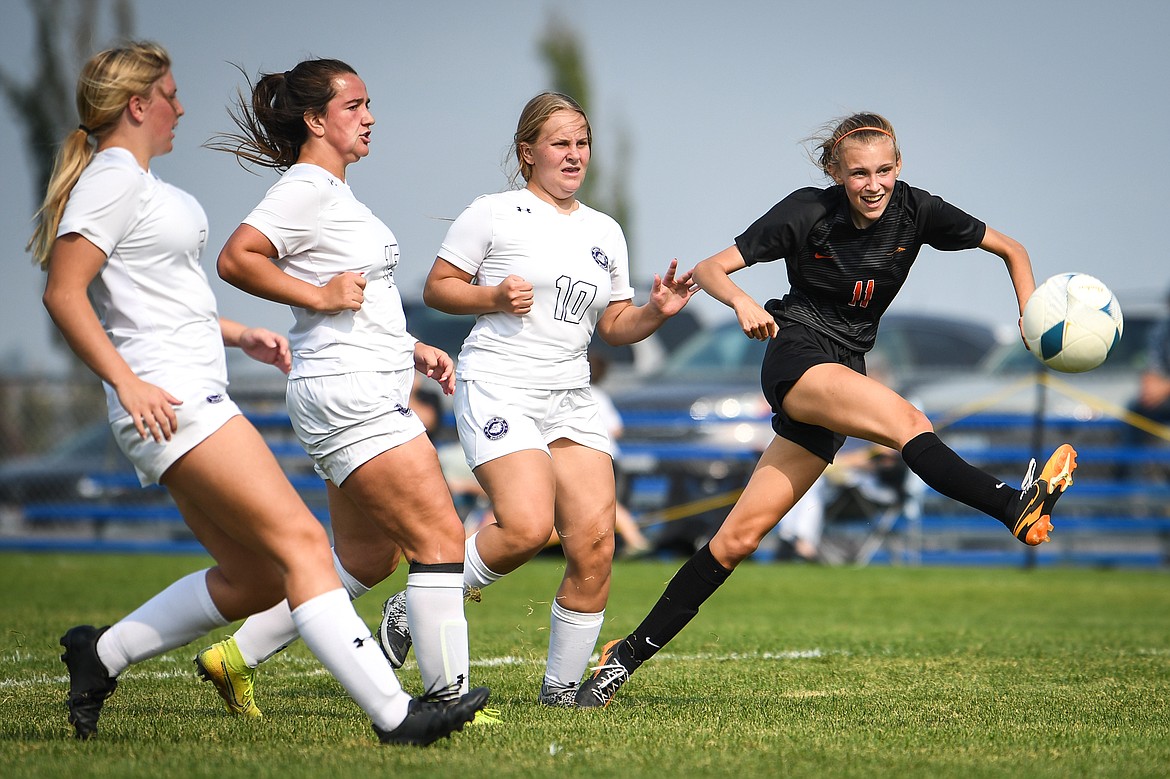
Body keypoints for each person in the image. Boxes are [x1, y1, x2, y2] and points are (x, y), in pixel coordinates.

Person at [32, 41, 487, 744]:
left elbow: (158, 300)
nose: (182, 105)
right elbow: (66, 292)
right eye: (172, 94)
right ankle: (400, 714)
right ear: (137, 105)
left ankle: (102, 653)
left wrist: (240, 333)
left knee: (256, 579)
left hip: (196, 385)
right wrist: (127, 382)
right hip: (175, 396)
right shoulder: (116, 177)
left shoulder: (140, 184)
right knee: (312, 545)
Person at [573, 112, 1078, 708]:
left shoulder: (916, 211)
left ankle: (623, 657)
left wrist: (1028, 310)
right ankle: (1012, 505)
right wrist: (740, 305)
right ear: (835, 172)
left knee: (736, 540)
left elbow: (1011, 249)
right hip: (798, 356)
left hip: (844, 369)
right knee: (909, 422)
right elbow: (712, 268)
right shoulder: (807, 210)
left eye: (884, 170)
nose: (873, 184)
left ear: (899, 166)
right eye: (858, 172)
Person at [376, 91, 696, 707]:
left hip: (571, 396)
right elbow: (440, 288)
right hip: (499, 384)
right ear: (528, 154)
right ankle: (410, 605)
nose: (574, 155)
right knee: (525, 528)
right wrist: (493, 297)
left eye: (582, 142)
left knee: (596, 544)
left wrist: (657, 310)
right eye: (560, 143)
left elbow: (614, 325)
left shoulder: (604, 230)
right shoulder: (494, 214)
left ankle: (561, 693)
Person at [194, 58, 487, 722]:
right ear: (316, 120)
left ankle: (235, 656)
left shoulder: (334, 193)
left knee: (365, 555)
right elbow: (237, 257)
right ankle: (448, 700)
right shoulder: (305, 188)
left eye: (367, 104)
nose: (370, 117)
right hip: (349, 392)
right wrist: (318, 295)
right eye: (354, 106)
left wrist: (413, 349)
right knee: (441, 537)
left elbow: (358, 300)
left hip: (353, 381)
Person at [588, 350, 652, 557]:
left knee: (604, 504)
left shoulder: (582, 394)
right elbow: (617, 428)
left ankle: (635, 540)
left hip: (591, 457)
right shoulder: (601, 396)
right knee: (602, 504)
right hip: (610, 456)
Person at [1119, 287, 1170, 477]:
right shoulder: (1162, 330)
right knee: (1135, 408)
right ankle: (1131, 486)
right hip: (1163, 399)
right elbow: (1152, 364)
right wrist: (1149, 385)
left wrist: (1164, 388)